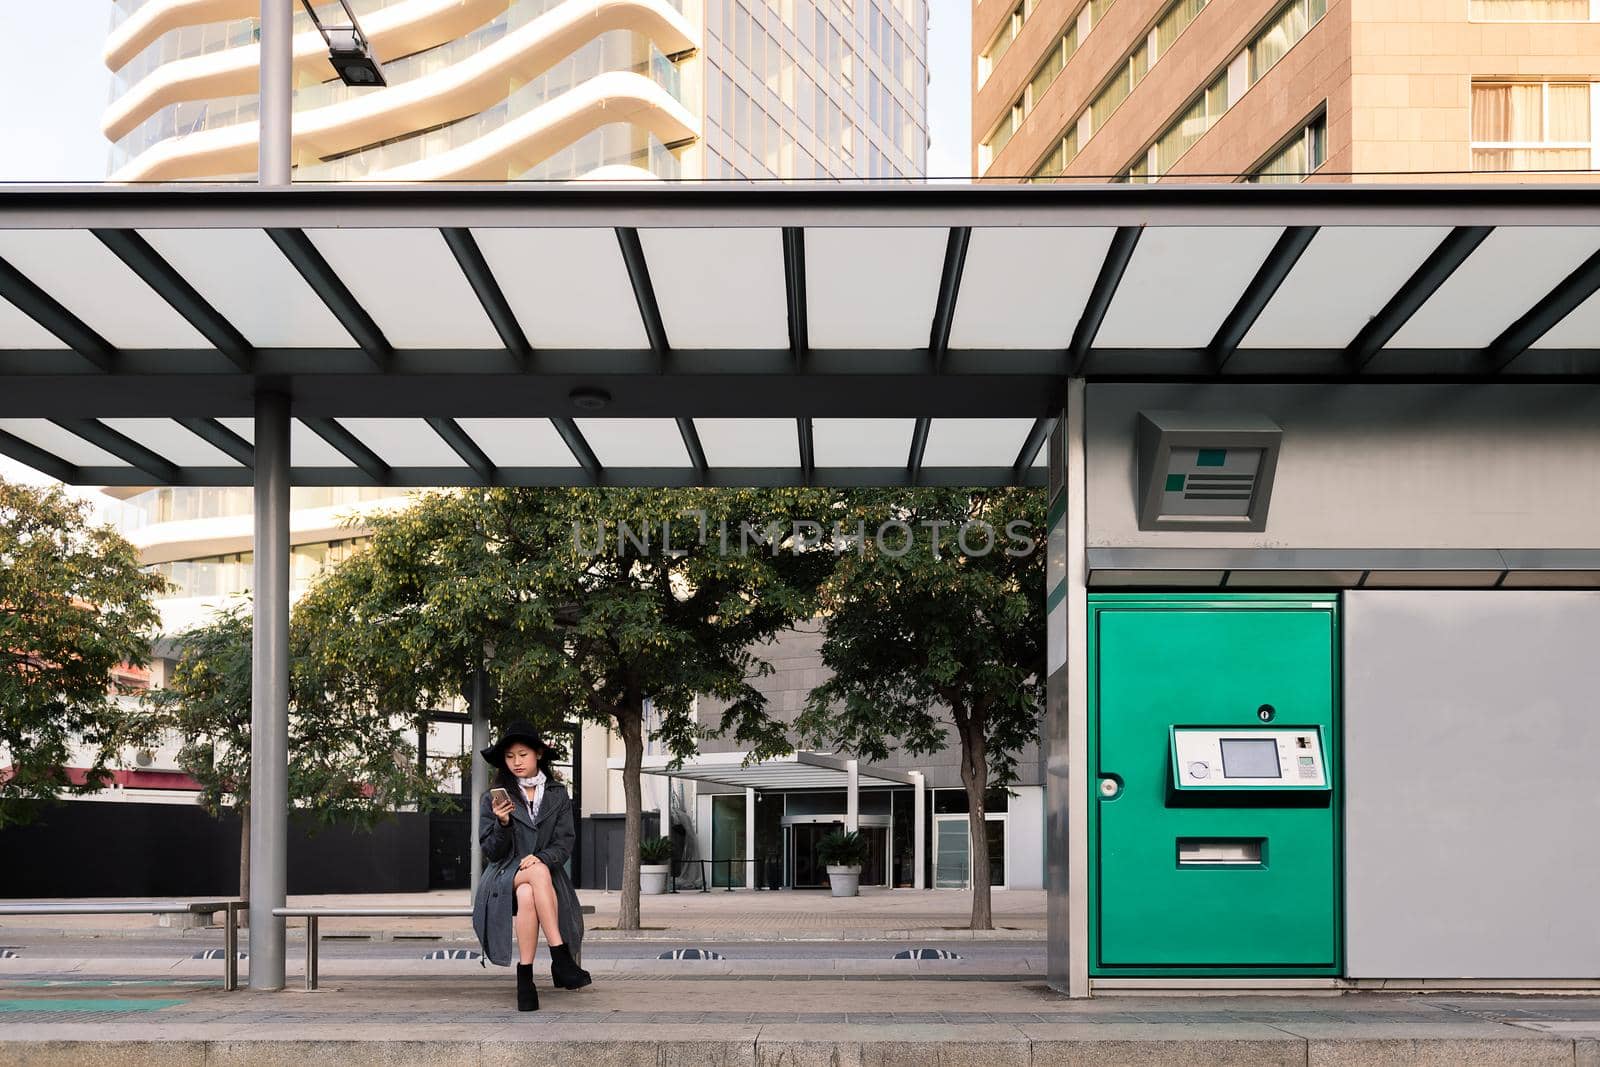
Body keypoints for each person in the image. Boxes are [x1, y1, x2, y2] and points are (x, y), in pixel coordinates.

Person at [472, 721, 590, 1011]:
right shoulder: (493, 797)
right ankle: (560, 957)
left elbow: (564, 842)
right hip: (502, 875)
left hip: (544, 878)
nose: (516, 762)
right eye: (510, 757)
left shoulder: (557, 794)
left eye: (522, 755)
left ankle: (525, 981)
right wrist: (502, 822)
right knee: (532, 876)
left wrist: (542, 858)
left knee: (529, 892)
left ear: (538, 754)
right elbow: (491, 852)